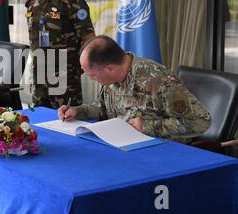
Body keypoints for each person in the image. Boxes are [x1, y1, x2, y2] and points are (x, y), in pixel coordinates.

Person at [58, 35, 211, 143]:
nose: (91, 78)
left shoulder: (158, 80)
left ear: (109, 68)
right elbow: (101, 108)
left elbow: (200, 121)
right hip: (125, 146)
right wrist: (77, 111)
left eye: (92, 75)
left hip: (162, 152)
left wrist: (148, 126)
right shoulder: (112, 79)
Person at [25, 0, 95, 109]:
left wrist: (79, 67)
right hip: (39, 75)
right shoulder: (32, 1)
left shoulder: (72, 1)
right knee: (40, 121)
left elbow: (89, 39)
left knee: (67, 122)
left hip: (64, 77)